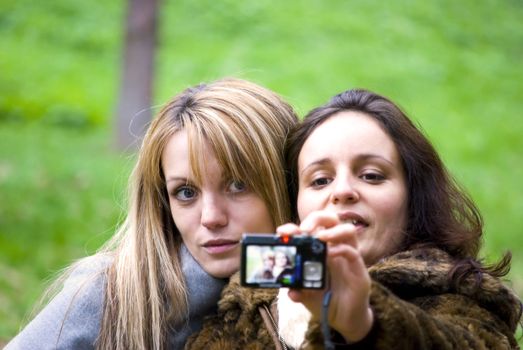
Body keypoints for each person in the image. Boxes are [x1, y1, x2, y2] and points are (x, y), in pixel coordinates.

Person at [187, 88, 522, 349]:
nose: (343, 191)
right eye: (320, 180)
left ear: (414, 196)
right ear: (295, 203)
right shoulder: (241, 313)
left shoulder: (463, 298)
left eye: (372, 175)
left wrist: (362, 325)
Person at [5, 78, 298, 349]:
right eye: (186, 192)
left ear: (286, 183)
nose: (210, 217)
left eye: (238, 185)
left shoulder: (324, 284)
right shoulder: (112, 294)